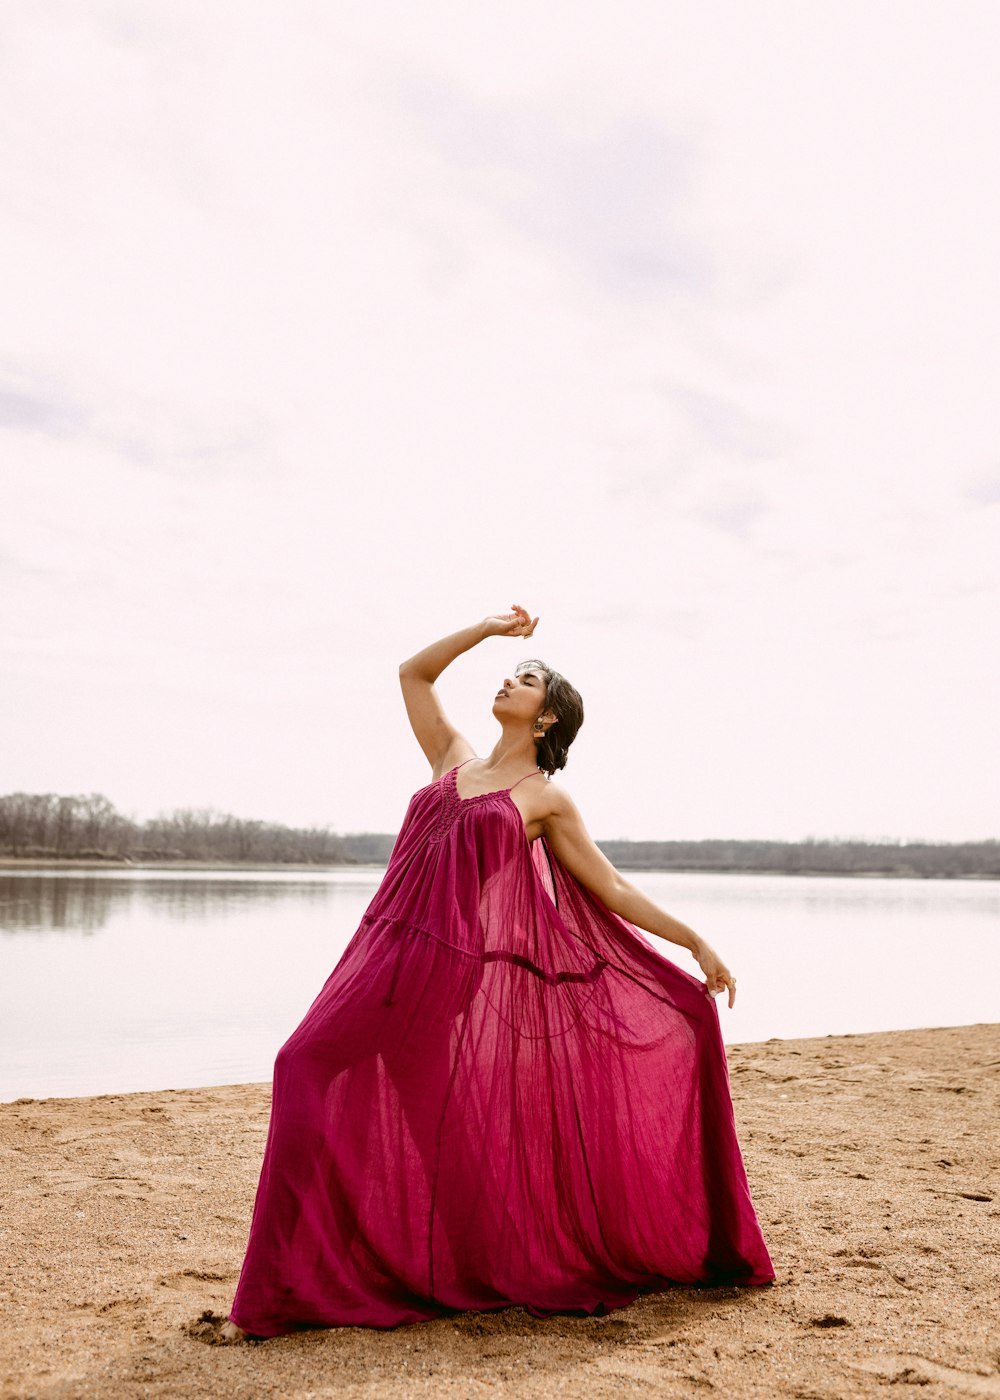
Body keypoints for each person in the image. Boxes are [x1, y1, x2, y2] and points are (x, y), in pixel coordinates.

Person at [221, 606, 773, 1341]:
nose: (510, 680)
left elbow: (612, 889)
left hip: (436, 970)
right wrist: (484, 629)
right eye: (513, 672)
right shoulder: (453, 758)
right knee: (426, 1135)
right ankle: (480, 1270)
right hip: (377, 949)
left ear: (547, 719)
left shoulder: (544, 799)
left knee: (300, 1066)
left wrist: (693, 940)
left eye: (528, 679)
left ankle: (269, 1299)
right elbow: (412, 673)